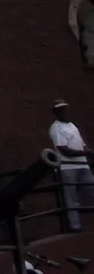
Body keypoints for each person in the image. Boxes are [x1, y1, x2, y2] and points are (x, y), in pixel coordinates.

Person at [52, 99, 94, 232]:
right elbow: (63, 149)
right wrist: (85, 152)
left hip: (83, 166)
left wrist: (89, 152)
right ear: (56, 112)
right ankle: (75, 226)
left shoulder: (72, 126)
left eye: (64, 109)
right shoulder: (56, 127)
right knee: (71, 199)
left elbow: (82, 144)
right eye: (60, 110)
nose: (63, 112)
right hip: (68, 167)